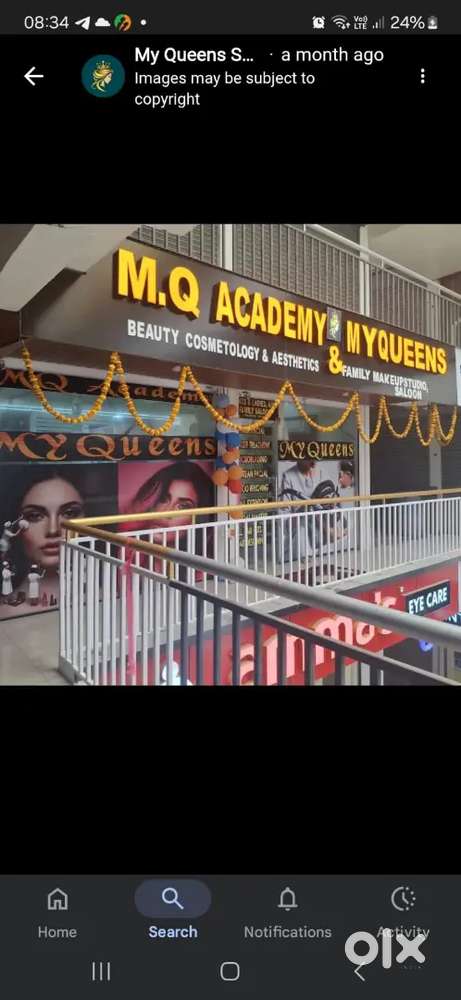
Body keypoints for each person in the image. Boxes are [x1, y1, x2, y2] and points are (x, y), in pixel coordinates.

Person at [0, 468, 85, 616]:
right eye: (34, 516)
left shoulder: (107, 597)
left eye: (69, 513)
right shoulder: (5, 611)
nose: (53, 530)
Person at [126, 461, 215, 566]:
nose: (166, 512)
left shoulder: (204, 568)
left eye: (183, 506)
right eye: (163, 499)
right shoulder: (129, 550)